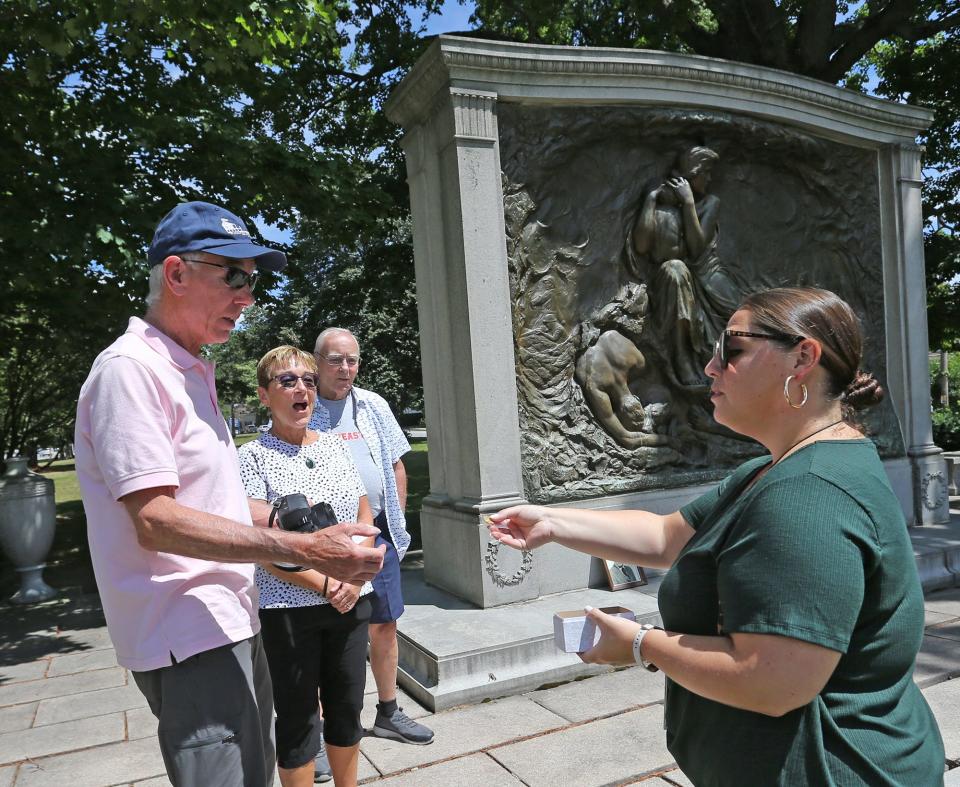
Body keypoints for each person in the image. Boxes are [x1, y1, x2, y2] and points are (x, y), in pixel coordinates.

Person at [489, 287, 945, 786]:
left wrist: (642, 644)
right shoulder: (776, 468)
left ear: (803, 357)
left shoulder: (806, 493)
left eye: (732, 350)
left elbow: (772, 681)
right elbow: (665, 536)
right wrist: (553, 523)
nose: (710, 367)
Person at [75, 201, 384, 787]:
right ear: (176, 274)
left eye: (253, 279)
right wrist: (310, 554)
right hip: (188, 631)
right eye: (232, 275)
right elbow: (156, 520)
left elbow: (214, 503)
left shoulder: (185, 371)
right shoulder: (131, 371)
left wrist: (317, 533)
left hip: (228, 618)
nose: (247, 296)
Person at [239, 346, 375, 787]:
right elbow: (262, 545)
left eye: (309, 381)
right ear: (264, 394)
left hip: (351, 602)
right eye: (288, 381)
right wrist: (328, 583)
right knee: (298, 719)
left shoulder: (336, 448)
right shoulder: (252, 457)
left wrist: (353, 578)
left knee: (347, 708)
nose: (303, 389)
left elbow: (363, 514)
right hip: (289, 608)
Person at [309, 328, 435, 753]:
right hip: (328, 540)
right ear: (317, 361)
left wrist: (394, 527)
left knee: (384, 624)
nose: (345, 369)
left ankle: (388, 712)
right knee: (329, 634)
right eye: (335, 360)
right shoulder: (303, 407)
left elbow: (397, 465)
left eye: (352, 360)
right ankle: (325, 732)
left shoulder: (373, 405)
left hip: (378, 533)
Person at [628, 146, 740, 386]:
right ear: (692, 174)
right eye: (706, 173)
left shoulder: (710, 203)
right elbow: (641, 246)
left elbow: (697, 248)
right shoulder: (662, 207)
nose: (709, 179)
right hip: (674, 278)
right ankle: (682, 359)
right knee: (675, 269)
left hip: (707, 275)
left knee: (741, 322)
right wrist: (650, 200)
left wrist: (688, 202)